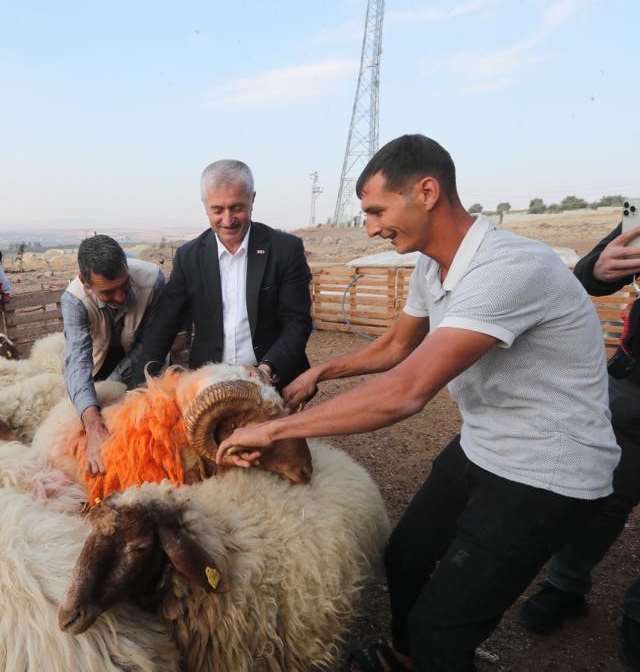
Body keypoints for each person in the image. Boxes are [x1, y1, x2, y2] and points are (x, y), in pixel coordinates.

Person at [214, 135, 619, 671]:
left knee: (442, 632)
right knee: (403, 559)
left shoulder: (505, 268)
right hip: (485, 445)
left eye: (377, 211)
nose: (372, 228)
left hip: (546, 467)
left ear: (426, 191)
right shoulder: (433, 265)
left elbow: (407, 390)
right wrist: (320, 370)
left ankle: (427, 652)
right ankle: (406, 659)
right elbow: (397, 346)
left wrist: (274, 431)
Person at [517, 218, 640, 667]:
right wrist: (600, 269)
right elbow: (588, 273)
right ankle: (565, 585)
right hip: (633, 388)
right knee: (603, 495)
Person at [134, 159, 313, 389]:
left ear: (252, 199)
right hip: (209, 383)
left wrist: (266, 369)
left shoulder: (285, 249)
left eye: (237, 208)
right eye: (217, 210)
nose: (228, 220)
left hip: (273, 379)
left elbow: (297, 321)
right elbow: (164, 325)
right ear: (205, 205)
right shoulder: (188, 257)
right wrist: (136, 389)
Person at [63, 235, 165, 474]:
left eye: (125, 285)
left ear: (126, 267)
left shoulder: (153, 280)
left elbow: (150, 343)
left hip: (145, 361)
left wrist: (117, 385)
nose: (120, 297)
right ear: (85, 282)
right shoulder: (74, 299)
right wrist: (93, 424)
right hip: (101, 360)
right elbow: (78, 359)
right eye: (108, 292)